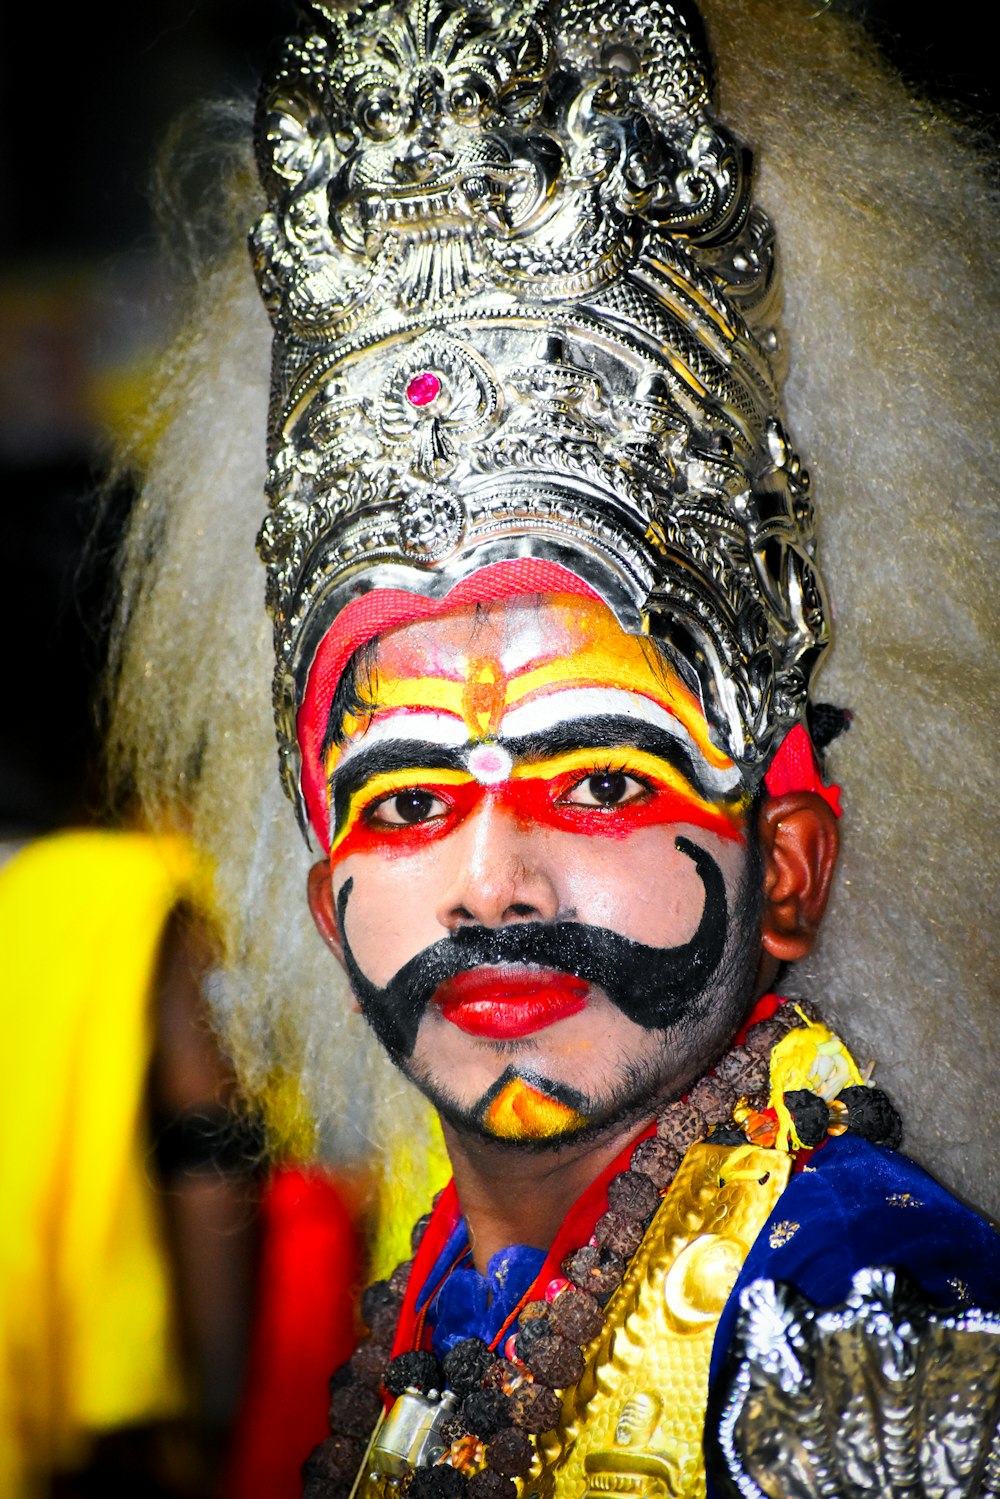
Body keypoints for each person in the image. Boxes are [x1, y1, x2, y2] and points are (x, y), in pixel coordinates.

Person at [106, 0, 1000, 1493]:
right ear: (326, 903)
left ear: (786, 862)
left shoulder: (871, 1322)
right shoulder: (459, 1274)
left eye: (598, 779)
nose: (494, 881)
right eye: (404, 798)